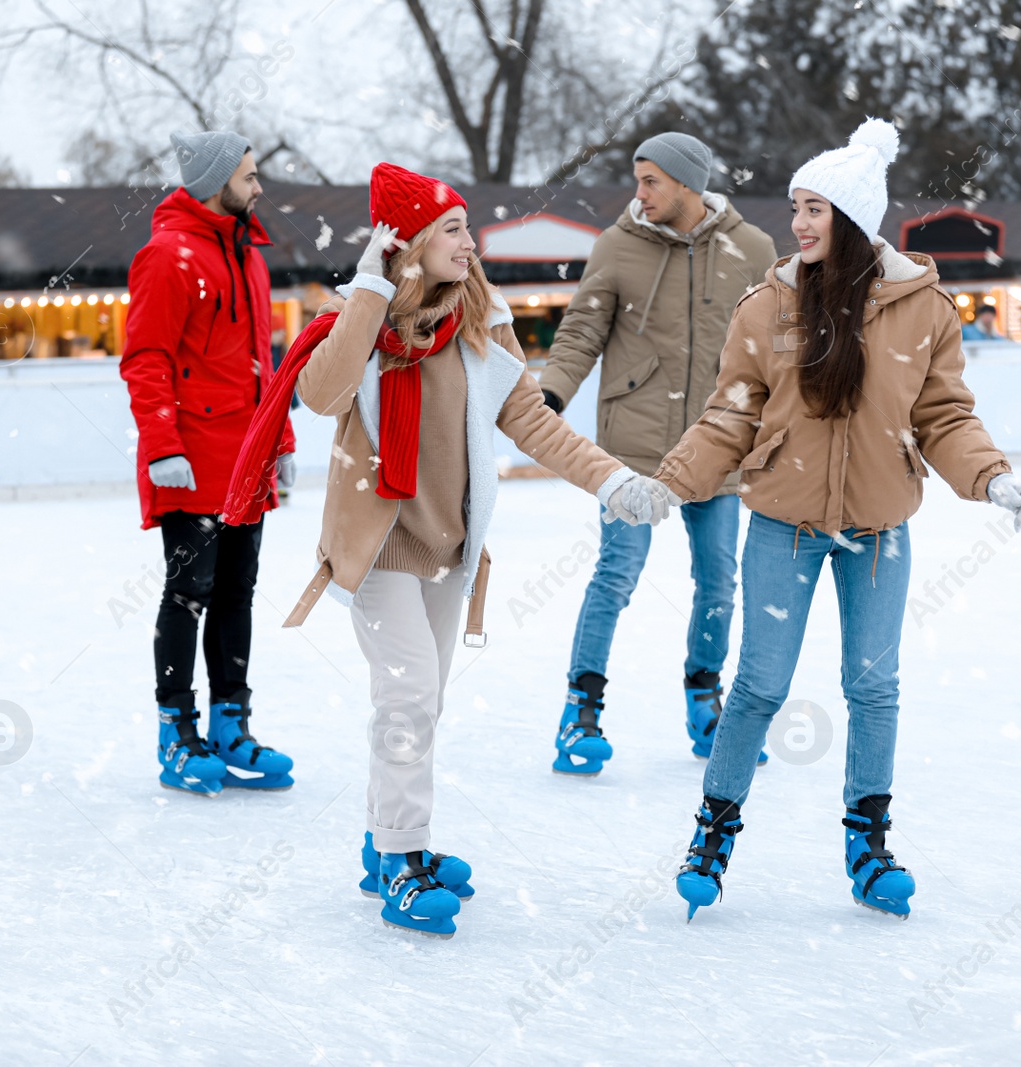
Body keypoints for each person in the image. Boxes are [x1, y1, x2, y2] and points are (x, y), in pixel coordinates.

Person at [224, 162, 671, 939]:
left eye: (467, 228)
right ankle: (403, 857)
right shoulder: (359, 322)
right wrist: (369, 284)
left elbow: (534, 423)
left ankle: (383, 843)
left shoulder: (480, 322)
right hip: (378, 547)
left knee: (420, 701)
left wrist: (612, 483)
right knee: (406, 698)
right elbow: (322, 395)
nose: (471, 243)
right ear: (414, 242)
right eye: (454, 230)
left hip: (446, 547)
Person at [652, 118, 1021, 921]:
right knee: (757, 685)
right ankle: (712, 832)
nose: (798, 223)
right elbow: (731, 413)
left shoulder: (922, 309)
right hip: (782, 522)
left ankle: (869, 843)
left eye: (815, 208)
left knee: (873, 685)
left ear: (855, 219)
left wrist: (988, 475)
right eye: (796, 206)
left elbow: (943, 415)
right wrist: (674, 481)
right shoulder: (770, 304)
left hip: (876, 527)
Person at [534, 132, 777, 775]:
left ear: (688, 185)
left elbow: (777, 348)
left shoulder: (751, 251)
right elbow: (583, 329)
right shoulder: (617, 247)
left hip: (718, 446)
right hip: (633, 447)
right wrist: (552, 393)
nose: (639, 193)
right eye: (637, 180)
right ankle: (580, 711)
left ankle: (706, 700)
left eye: (651, 181)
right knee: (617, 575)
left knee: (719, 581)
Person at [120, 129, 298, 798]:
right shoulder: (167, 256)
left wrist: (279, 445)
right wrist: (163, 443)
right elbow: (146, 359)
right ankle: (177, 732)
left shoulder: (249, 256)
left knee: (236, 593)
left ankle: (231, 725)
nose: (258, 188)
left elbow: (263, 367)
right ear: (215, 181)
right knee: (189, 593)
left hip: (246, 457)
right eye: (249, 177)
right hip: (191, 460)